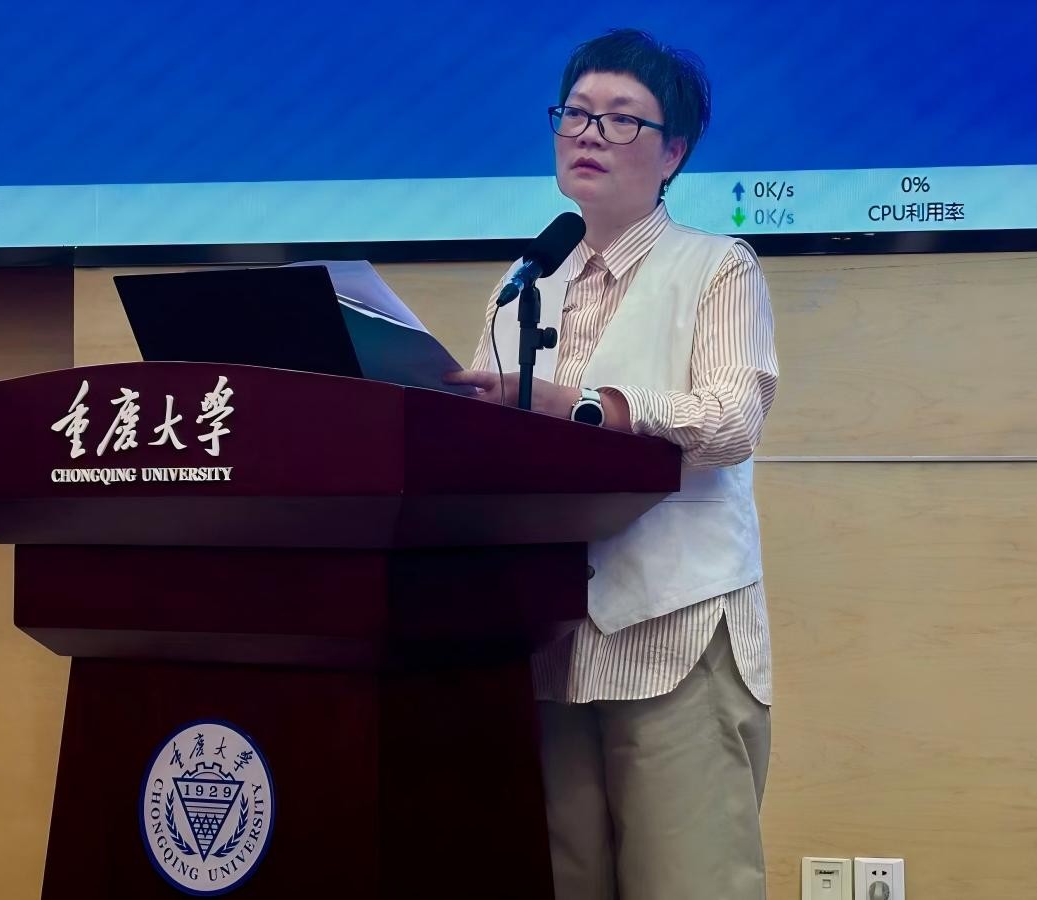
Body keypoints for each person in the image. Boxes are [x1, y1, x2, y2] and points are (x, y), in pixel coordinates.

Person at [444, 28, 779, 900]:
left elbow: (731, 421)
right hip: (548, 639)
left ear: (673, 153)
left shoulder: (718, 269)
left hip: (676, 626)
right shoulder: (525, 284)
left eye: (622, 119)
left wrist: (590, 407)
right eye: (577, 114)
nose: (589, 134)